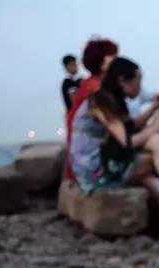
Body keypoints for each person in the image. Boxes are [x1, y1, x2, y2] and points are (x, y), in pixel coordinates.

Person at [69, 57, 159, 218]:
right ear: (122, 81)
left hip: (109, 157)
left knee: (157, 141)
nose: (140, 88)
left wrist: (154, 108)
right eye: (138, 81)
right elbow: (126, 142)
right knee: (155, 147)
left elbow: (130, 126)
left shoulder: (115, 99)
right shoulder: (100, 100)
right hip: (95, 170)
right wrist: (157, 126)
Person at [65, 38, 119, 182]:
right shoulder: (94, 88)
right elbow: (115, 125)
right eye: (114, 56)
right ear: (102, 61)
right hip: (87, 160)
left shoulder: (91, 83)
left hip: (85, 153)